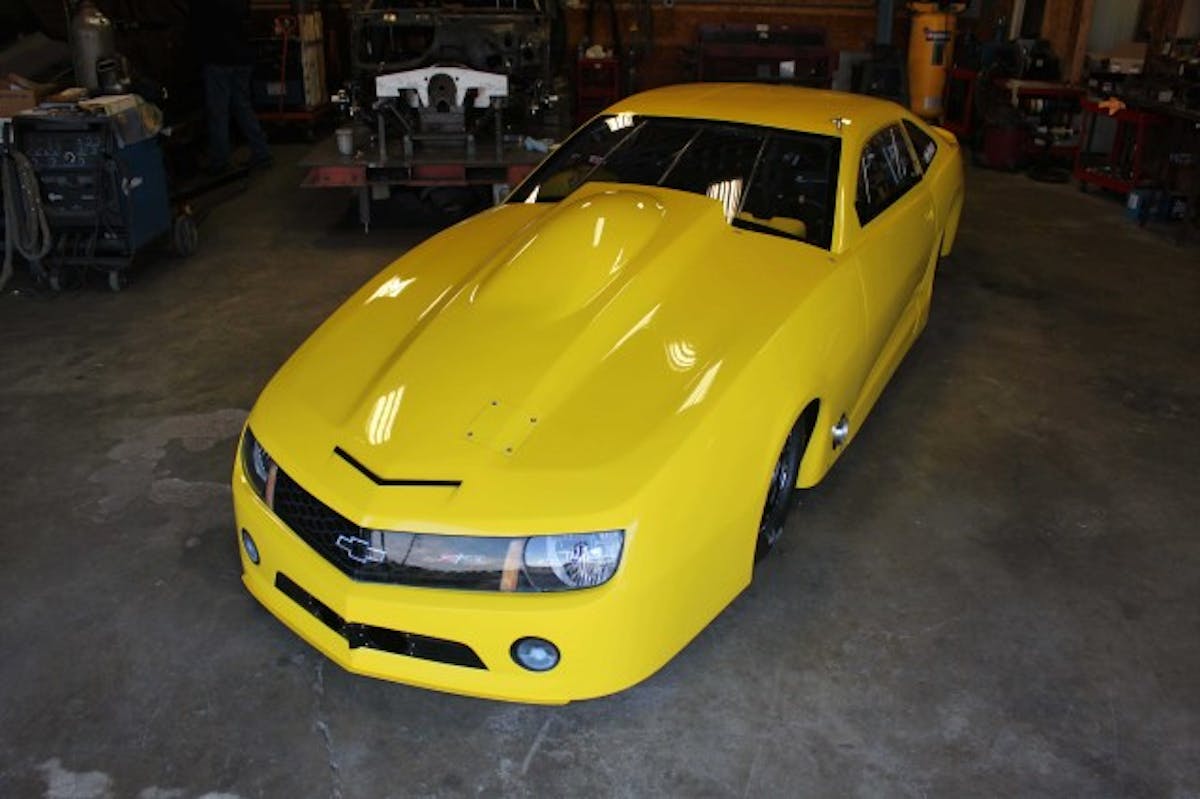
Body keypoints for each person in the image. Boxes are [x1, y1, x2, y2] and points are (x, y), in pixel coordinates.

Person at [191, 0, 271, 173]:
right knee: (243, 106)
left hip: (218, 57)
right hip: (241, 56)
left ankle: (220, 160)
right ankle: (261, 150)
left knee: (218, 112)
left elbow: (197, 24)